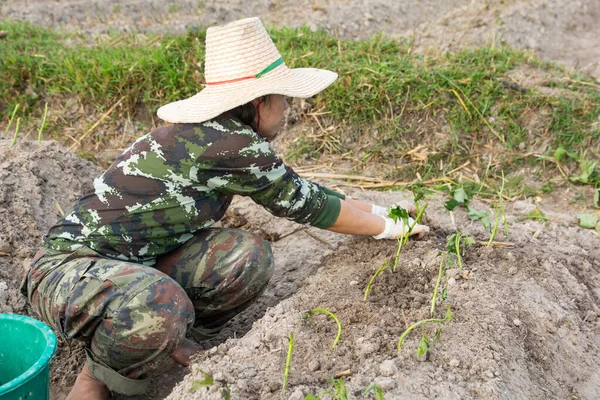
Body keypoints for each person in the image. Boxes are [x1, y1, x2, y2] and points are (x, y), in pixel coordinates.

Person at [22, 17, 429, 399]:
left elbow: (307, 191)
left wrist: (385, 213)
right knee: (158, 301)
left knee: (245, 257)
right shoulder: (232, 146)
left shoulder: (221, 136)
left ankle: (160, 336)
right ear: (259, 100)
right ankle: (97, 377)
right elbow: (310, 208)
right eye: (283, 97)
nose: (287, 108)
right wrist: (391, 229)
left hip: (137, 265)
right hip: (67, 272)